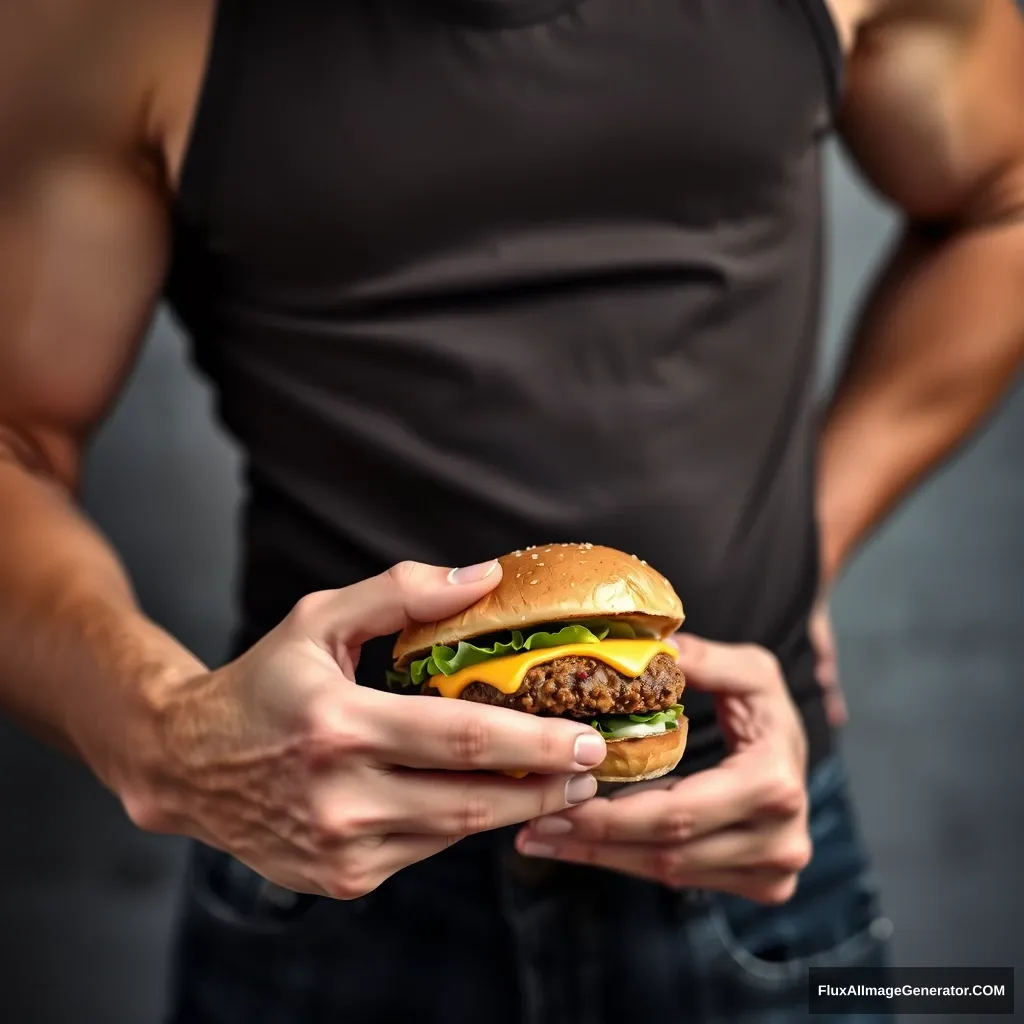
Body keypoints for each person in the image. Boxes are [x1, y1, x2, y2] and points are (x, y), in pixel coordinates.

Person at [1, 0, 1023, 1021]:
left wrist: (810, 533)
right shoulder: (112, 18)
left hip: (741, 857)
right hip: (317, 887)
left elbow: (1004, 194)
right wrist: (161, 733)